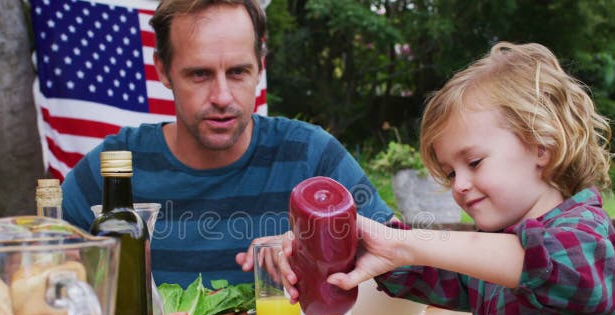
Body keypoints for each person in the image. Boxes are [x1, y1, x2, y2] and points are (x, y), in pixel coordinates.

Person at [282, 42, 615, 315]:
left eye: (474, 162)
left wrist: (405, 243)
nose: (459, 185)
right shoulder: (493, 248)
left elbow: (545, 264)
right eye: (451, 172)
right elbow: (433, 273)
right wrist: (344, 252)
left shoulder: (586, 231)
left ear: (541, 146)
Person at [62, 0, 393, 288]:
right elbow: (32, 272)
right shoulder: (114, 168)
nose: (222, 97)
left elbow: (401, 257)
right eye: (200, 74)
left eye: (237, 72)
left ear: (260, 66)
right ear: (163, 70)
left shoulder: (310, 155)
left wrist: (315, 248)